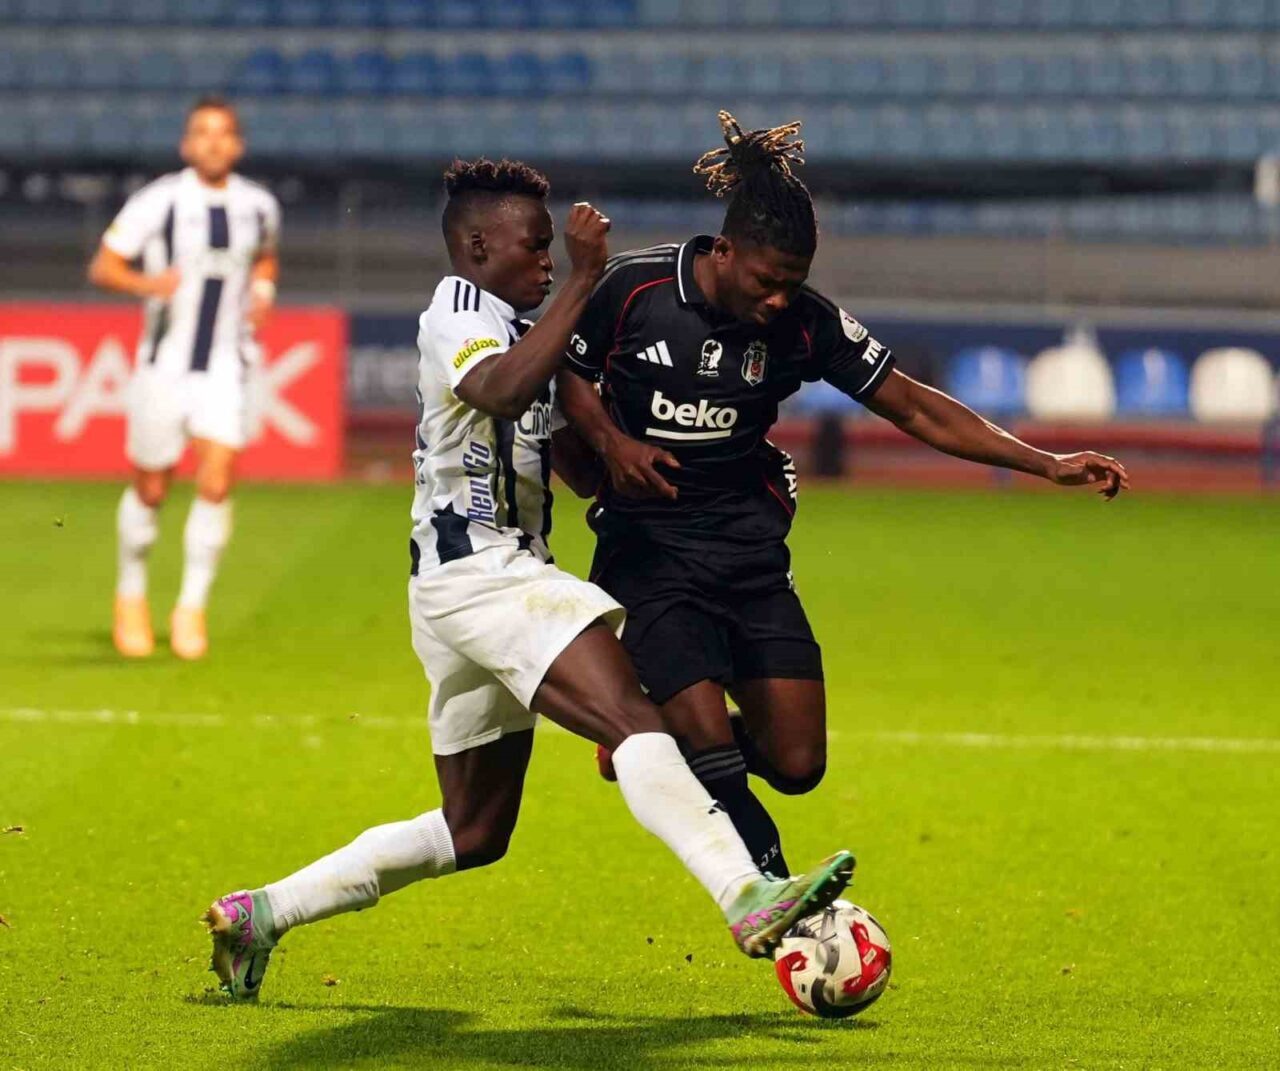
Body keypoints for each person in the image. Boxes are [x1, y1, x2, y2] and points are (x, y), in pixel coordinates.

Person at [203, 158, 854, 1001]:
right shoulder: (461, 309)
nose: (547, 263)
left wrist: (640, 461)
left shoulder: (517, 328)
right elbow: (500, 392)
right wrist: (588, 280)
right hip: (484, 575)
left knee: (474, 830)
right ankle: (746, 893)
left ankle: (261, 912)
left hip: (468, 588)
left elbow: (566, 456)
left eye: (555, 251)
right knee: (630, 716)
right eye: (534, 247)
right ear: (477, 245)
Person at [558, 111, 1131, 879]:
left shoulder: (804, 320)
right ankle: (785, 907)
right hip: (649, 550)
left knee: (797, 762)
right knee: (722, 764)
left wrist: (1044, 463)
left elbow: (915, 404)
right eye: (767, 282)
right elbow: (568, 374)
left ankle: (661, 737)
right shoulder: (636, 288)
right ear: (724, 251)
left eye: (793, 285)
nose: (778, 301)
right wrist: (612, 444)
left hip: (749, 551)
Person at [88, 96, 280, 661]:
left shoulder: (259, 205)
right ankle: (130, 597)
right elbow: (105, 266)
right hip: (163, 366)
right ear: (186, 145)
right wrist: (150, 286)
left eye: (223, 134)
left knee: (217, 481)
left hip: (226, 364)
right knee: (152, 488)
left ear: (237, 145)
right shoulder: (159, 201)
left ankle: (191, 608)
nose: (213, 143)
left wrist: (264, 292)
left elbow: (265, 257)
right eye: (202, 133)